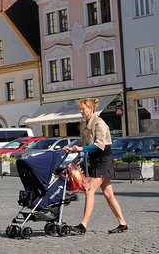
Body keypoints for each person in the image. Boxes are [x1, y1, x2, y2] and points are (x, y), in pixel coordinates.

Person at [63, 97, 129, 234]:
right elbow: (84, 144)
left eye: (83, 109)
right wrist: (72, 148)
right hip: (95, 160)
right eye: (80, 109)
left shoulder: (99, 123)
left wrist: (82, 149)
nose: (81, 111)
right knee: (108, 194)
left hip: (104, 159)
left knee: (88, 190)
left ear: (91, 109)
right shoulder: (83, 124)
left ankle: (83, 225)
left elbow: (100, 144)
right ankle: (122, 223)